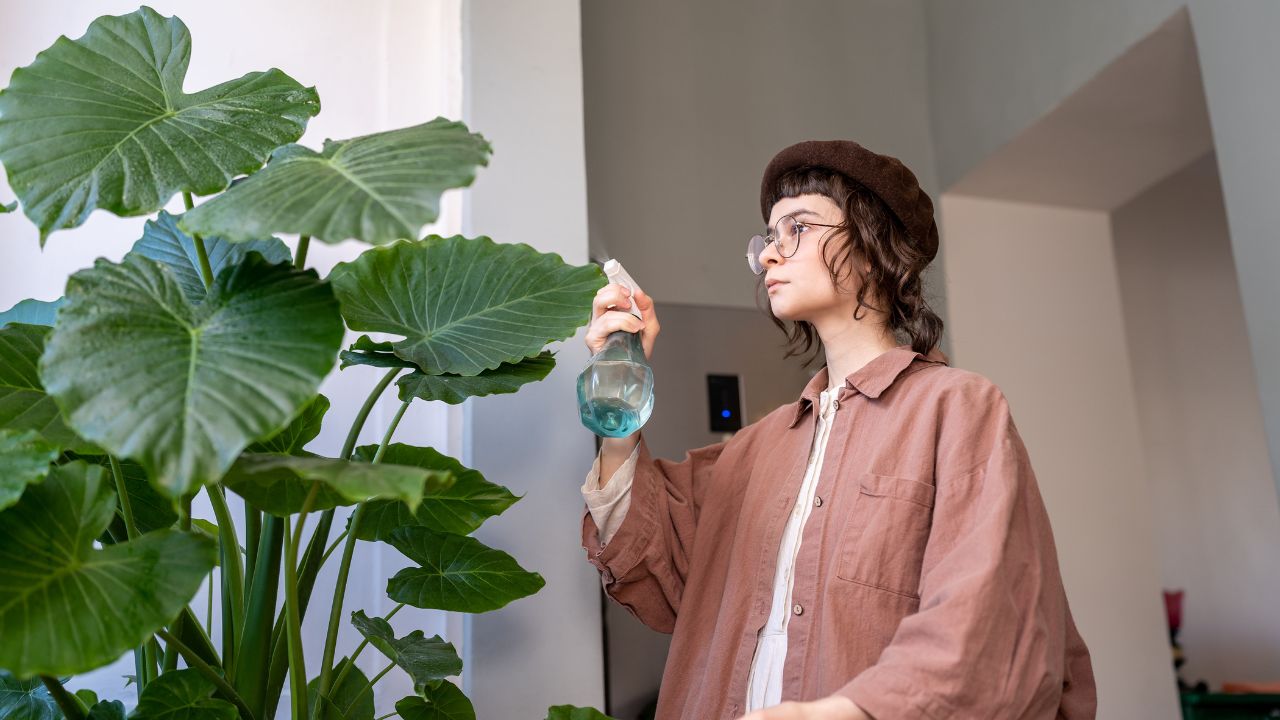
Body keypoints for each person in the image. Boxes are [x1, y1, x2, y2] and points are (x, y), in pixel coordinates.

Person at [579, 140, 1097, 720]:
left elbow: (990, 616)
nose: (771, 256)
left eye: (797, 228)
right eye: (768, 239)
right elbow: (656, 566)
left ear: (873, 247)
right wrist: (620, 382)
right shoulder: (752, 451)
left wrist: (839, 712)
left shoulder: (956, 409)